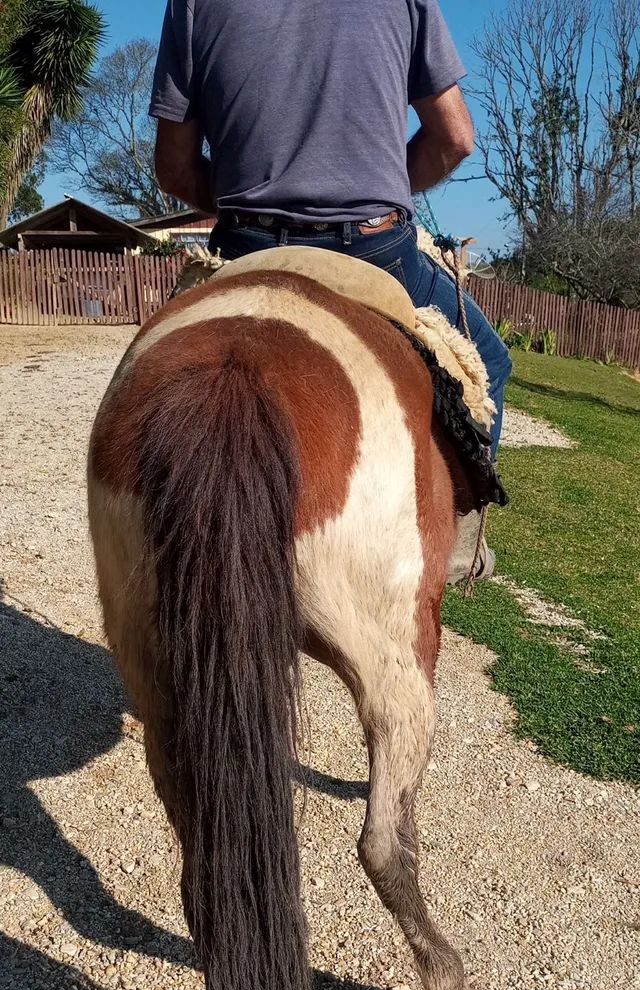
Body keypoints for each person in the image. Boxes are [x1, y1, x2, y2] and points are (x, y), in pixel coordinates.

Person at [149, 0, 511, 574]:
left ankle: (154, 535)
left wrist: (260, 203)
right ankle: (458, 537)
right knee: (488, 359)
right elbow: (455, 139)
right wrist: (384, 193)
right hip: (376, 249)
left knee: (154, 374)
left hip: (248, 245)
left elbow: (174, 167)